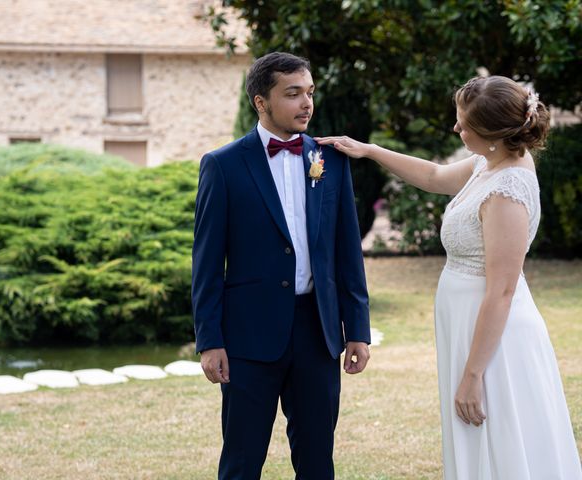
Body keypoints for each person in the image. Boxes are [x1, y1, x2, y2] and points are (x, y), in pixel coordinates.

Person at [316, 75, 582, 479]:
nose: (457, 128)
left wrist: (473, 375)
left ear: (493, 134)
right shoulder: (489, 162)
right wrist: (369, 151)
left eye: (464, 124)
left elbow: (502, 291)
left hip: (493, 337)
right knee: (478, 437)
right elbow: (435, 177)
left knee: (499, 432)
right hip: (466, 323)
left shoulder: (508, 188)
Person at [192, 52, 371, 480]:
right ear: (260, 102)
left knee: (316, 460)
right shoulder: (223, 165)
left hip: (318, 331)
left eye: (309, 93)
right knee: (241, 460)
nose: (306, 103)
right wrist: (209, 339)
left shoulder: (332, 160)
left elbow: (347, 250)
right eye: (292, 94)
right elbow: (207, 260)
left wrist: (358, 330)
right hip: (248, 338)